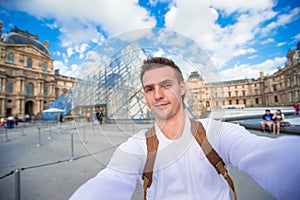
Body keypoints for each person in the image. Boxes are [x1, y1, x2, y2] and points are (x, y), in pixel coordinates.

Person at [70, 57, 300, 200]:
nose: (158, 94)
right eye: (149, 89)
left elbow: (265, 153)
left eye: (166, 85)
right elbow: (110, 181)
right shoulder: (136, 146)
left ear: (183, 88)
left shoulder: (219, 133)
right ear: (144, 96)